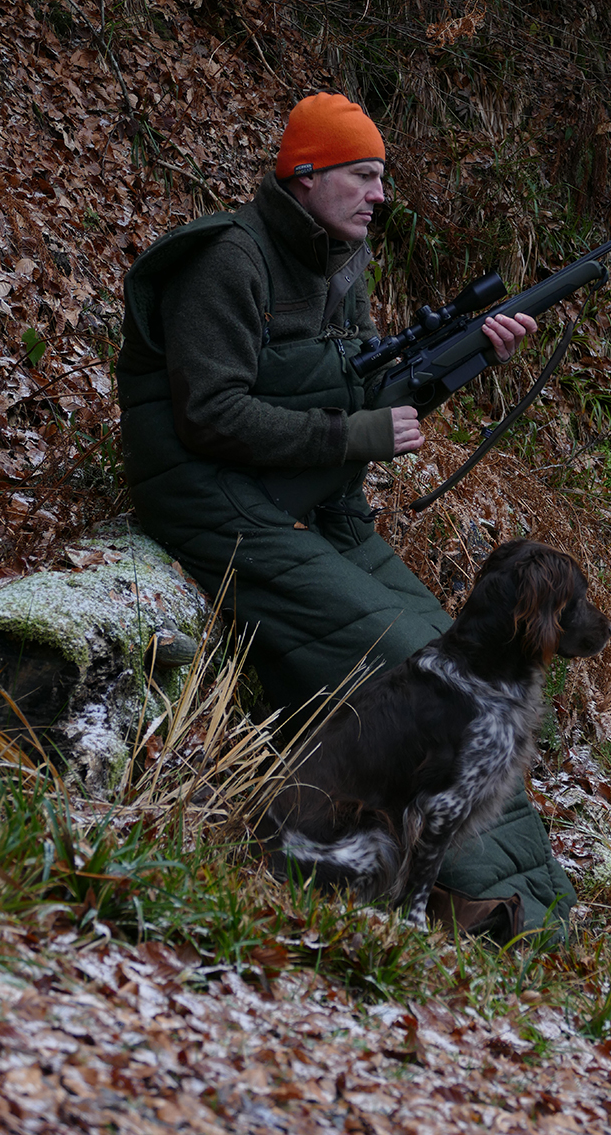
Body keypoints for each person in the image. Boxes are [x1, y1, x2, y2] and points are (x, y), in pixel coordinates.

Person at [117, 92, 577, 940]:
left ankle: (531, 908)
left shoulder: (341, 259)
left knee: (457, 656)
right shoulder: (230, 260)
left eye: (382, 180)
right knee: (402, 668)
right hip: (211, 494)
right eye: (363, 176)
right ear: (306, 173)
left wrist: (461, 362)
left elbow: (363, 386)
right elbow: (209, 414)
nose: (378, 196)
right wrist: (361, 430)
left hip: (315, 495)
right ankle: (465, 909)